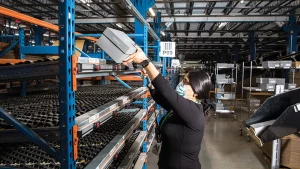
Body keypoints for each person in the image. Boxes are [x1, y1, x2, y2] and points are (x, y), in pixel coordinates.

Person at [123, 45, 212, 169]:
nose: (181, 83)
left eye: (186, 82)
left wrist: (145, 61)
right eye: (183, 79)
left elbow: (166, 91)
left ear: (196, 92)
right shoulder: (182, 107)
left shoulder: (194, 112)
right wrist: (150, 80)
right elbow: (162, 98)